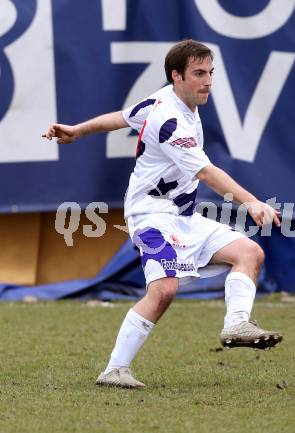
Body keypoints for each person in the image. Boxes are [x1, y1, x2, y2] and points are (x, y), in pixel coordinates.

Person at [43, 39, 282, 389]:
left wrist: (77, 130)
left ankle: (236, 324)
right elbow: (206, 172)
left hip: (182, 215)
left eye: (210, 72)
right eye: (199, 73)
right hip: (150, 214)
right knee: (164, 289)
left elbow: (120, 117)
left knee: (249, 252)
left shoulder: (162, 99)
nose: (208, 81)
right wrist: (250, 202)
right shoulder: (168, 120)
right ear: (177, 76)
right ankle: (114, 370)